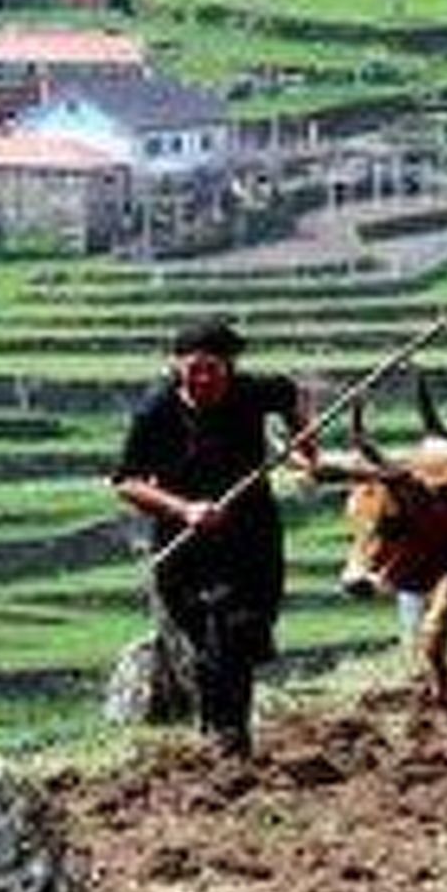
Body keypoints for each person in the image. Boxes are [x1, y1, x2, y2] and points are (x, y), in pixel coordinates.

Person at [113, 318, 315, 756]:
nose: (203, 379)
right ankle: (221, 732)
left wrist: (304, 443)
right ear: (176, 367)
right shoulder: (156, 411)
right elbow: (127, 482)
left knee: (236, 633)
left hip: (251, 536)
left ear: (230, 367)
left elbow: (292, 396)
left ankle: (228, 738)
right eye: (193, 369)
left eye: (213, 370)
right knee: (208, 641)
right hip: (182, 541)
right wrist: (185, 509)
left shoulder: (253, 391)